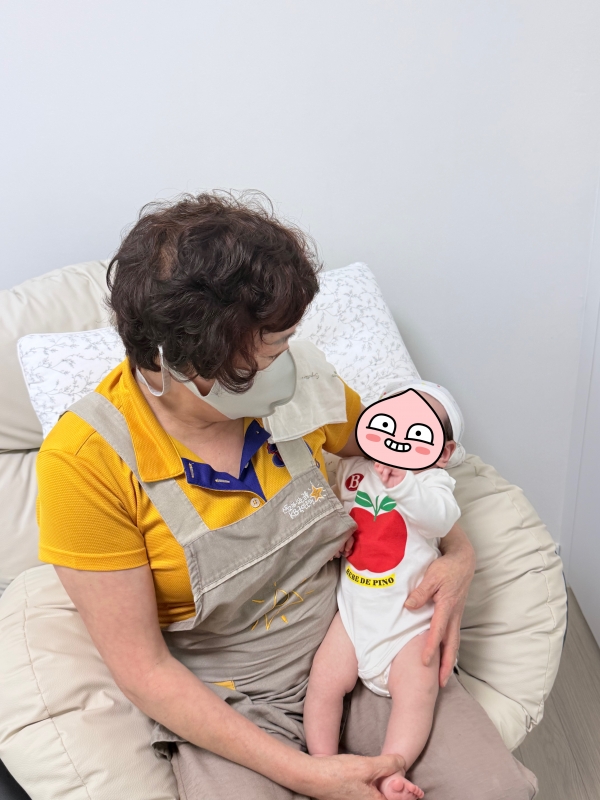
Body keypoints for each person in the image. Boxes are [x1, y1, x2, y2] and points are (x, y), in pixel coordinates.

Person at [37, 192, 538, 799]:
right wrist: (307, 775)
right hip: (231, 702)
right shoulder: (85, 465)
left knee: (493, 789)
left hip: (360, 636)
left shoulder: (309, 387)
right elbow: (144, 669)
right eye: (265, 357)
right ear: (171, 364)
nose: (287, 370)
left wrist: (459, 554)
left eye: (285, 343)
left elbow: (397, 468)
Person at [304, 384, 463, 800]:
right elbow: (337, 507)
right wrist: (335, 533)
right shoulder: (353, 467)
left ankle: (392, 768)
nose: (400, 437)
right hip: (354, 617)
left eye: (419, 430)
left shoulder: (433, 482)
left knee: (418, 692)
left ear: (443, 452)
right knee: (322, 683)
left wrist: (405, 485)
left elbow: (441, 520)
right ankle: (323, 763)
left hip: (408, 626)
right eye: (390, 422)